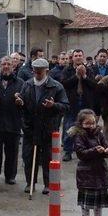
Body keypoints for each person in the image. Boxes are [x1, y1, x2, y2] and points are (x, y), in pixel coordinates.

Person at [19, 58, 69, 195]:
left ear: (46, 71)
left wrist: (54, 106)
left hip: (48, 127)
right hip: (30, 127)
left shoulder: (56, 86)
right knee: (28, 157)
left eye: (40, 71)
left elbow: (65, 106)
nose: (37, 74)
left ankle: (48, 184)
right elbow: (23, 106)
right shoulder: (27, 85)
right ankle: (30, 183)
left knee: (48, 158)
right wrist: (20, 103)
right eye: (35, 71)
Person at [70, 109, 108, 216]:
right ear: (81, 124)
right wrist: (95, 150)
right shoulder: (79, 136)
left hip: (100, 172)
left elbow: (106, 147)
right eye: (87, 123)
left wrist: (107, 151)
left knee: (99, 204)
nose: (91, 126)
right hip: (86, 174)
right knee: (86, 204)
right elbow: (81, 153)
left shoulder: (99, 134)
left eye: (93, 123)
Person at [0, 56, 24, 185]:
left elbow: (26, 102)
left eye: (9, 64)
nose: (6, 66)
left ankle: (10, 176)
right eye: (3, 64)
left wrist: (20, 101)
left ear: (13, 66)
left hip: (13, 122)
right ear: (0, 66)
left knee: (12, 153)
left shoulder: (20, 83)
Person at [61, 49, 97, 161]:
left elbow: (93, 85)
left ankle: (85, 150)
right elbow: (64, 84)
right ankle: (67, 150)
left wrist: (85, 76)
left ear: (83, 57)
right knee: (69, 126)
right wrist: (76, 76)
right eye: (76, 55)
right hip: (72, 102)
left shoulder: (89, 70)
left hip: (86, 102)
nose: (78, 57)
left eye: (80, 55)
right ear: (73, 57)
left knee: (86, 127)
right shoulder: (67, 70)